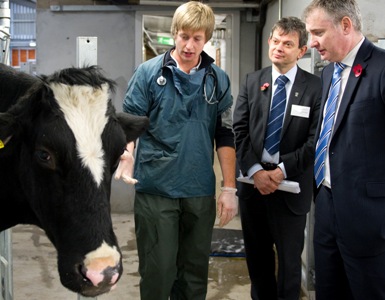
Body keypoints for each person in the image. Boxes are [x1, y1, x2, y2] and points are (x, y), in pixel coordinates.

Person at [115, 2, 238, 299]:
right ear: (174, 34)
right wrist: (128, 153)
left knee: (194, 273)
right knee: (158, 272)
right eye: (184, 36)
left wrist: (229, 189)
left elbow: (225, 133)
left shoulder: (217, 79)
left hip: (198, 187)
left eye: (197, 38)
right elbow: (131, 123)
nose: (189, 45)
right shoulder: (147, 74)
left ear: (206, 38)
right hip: (157, 187)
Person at [233, 16, 321, 300]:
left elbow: (314, 141)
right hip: (253, 187)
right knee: (258, 262)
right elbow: (240, 131)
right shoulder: (252, 81)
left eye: (288, 43)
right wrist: (257, 171)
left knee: (290, 265)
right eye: (275, 41)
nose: (279, 47)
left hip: (290, 189)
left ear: (301, 51)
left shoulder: (315, 87)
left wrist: (281, 171)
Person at [303, 0, 385, 299]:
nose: (311, 43)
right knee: (328, 289)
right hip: (326, 206)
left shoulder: (381, 68)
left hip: (369, 219)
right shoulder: (329, 74)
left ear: (346, 25)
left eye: (318, 33)